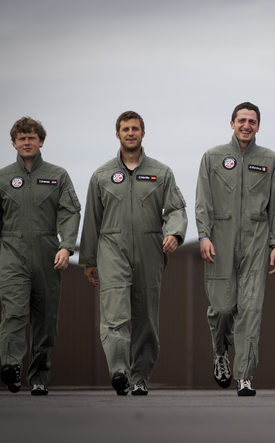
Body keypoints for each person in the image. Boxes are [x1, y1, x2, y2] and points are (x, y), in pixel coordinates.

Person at [79, 111, 188, 396]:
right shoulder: (102, 176)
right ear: (117, 134)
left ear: (142, 133)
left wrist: (174, 233)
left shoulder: (161, 173)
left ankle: (140, 376)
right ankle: (119, 371)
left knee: (146, 319)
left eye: (135, 129)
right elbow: (92, 220)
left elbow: (176, 209)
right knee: (114, 314)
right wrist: (89, 260)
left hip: (150, 249)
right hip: (112, 248)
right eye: (125, 129)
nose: (130, 133)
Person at [0, 117, 81, 395]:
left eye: (32, 137)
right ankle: (11, 366)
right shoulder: (1, 178)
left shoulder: (57, 175)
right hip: (11, 252)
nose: (27, 142)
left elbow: (71, 212)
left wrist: (66, 246)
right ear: (14, 142)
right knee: (13, 312)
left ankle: (38, 375)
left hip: (48, 253)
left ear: (41, 142)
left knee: (46, 320)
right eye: (21, 138)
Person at [195, 102, 275, 397]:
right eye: (242, 120)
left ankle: (244, 375)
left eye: (252, 121)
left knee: (250, 310)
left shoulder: (270, 159)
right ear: (232, 123)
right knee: (222, 308)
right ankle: (220, 352)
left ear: (258, 126)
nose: (247, 125)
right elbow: (203, 200)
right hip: (220, 239)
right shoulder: (212, 157)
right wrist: (204, 235)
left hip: (257, 241)